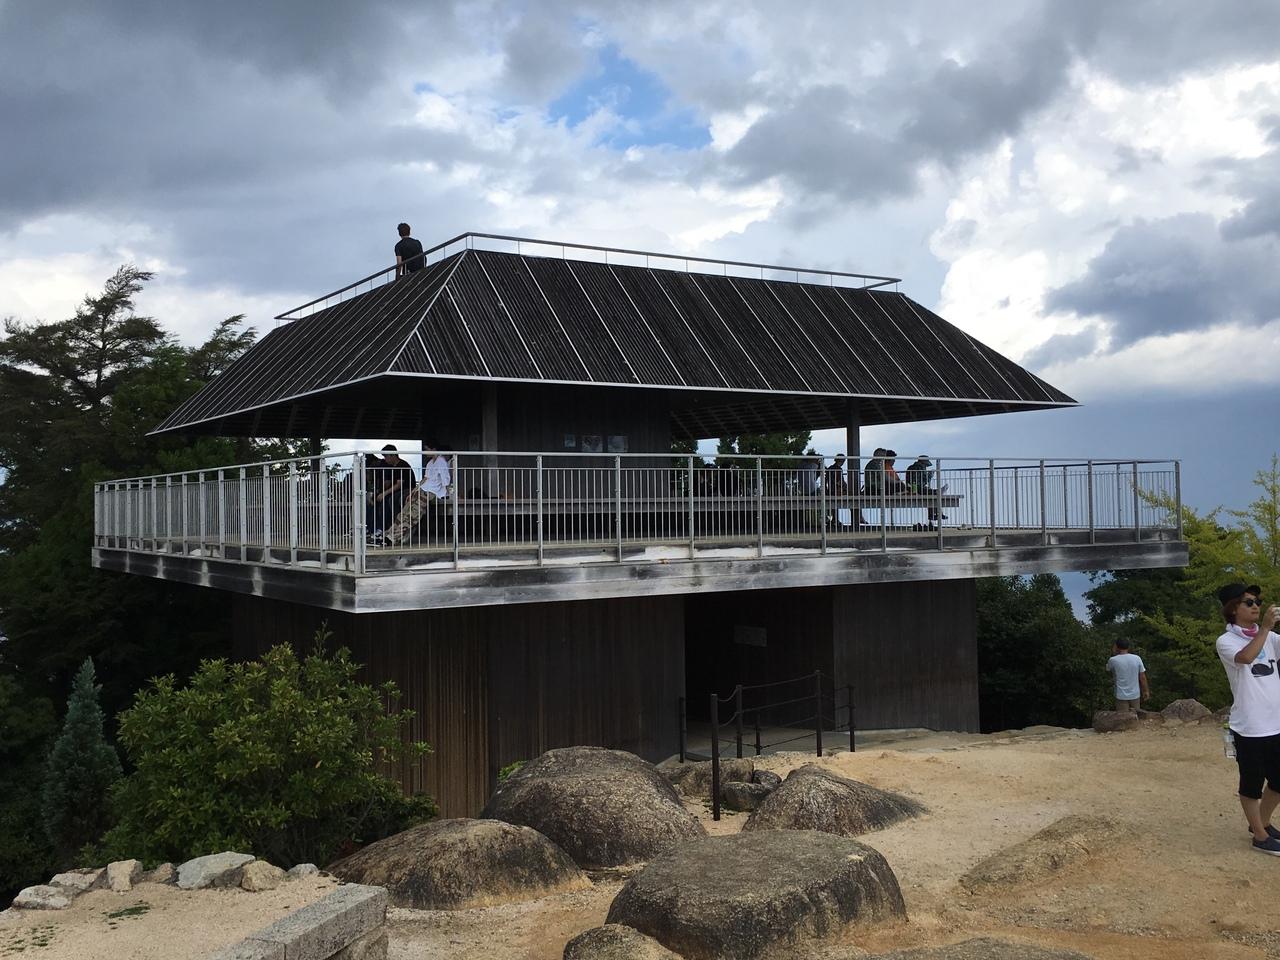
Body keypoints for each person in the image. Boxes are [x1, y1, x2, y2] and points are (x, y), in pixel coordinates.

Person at [1215, 582, 1280, 856]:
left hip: (1276, 722)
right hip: (1250, 726)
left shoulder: (1271, 638)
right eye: (1249, 602)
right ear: (1233, 609)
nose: (1256, 606)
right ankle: (1260, 836)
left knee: (1278, 781)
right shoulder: (1226, 641)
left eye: (1258, 602)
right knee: (1252, 784)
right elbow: (1246, 657)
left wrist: (1267, 631)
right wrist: (1265, 628)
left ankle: (1260, 823)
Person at [383, 440, 452, 546]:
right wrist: (414, 491)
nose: (425, 452)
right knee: (405, 511)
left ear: (433, 449)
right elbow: (425, 478)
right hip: (423, 489)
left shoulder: (441, 461)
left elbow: (446, 481)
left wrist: (448, 494)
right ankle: (390, 533)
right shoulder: (430, 463)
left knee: (413, 514)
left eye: (427, 449)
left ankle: (394, 536)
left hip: (432, 492)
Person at [373, 444, 415, 535]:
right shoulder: (391, 467)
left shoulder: (402, 465)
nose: (385, 459)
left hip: (407, 489)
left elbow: (399, 485)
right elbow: (388, 483)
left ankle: (393, 527)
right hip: (397, 491)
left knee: (390, 500)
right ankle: (379, 527)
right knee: (377, 500)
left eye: (386, 456)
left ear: (393, 455)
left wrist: (384, 493)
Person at [1106, 638, 1149, 712]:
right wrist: (1145, 691)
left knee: (1123, 717)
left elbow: (1108, 670)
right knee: (1135, 715)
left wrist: (1114, 653)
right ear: (1128, 647)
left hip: (1120, 695)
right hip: (1135, 694)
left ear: (1116, 647)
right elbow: (1142, 677)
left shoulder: (1112, 660)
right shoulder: (1137, 658)